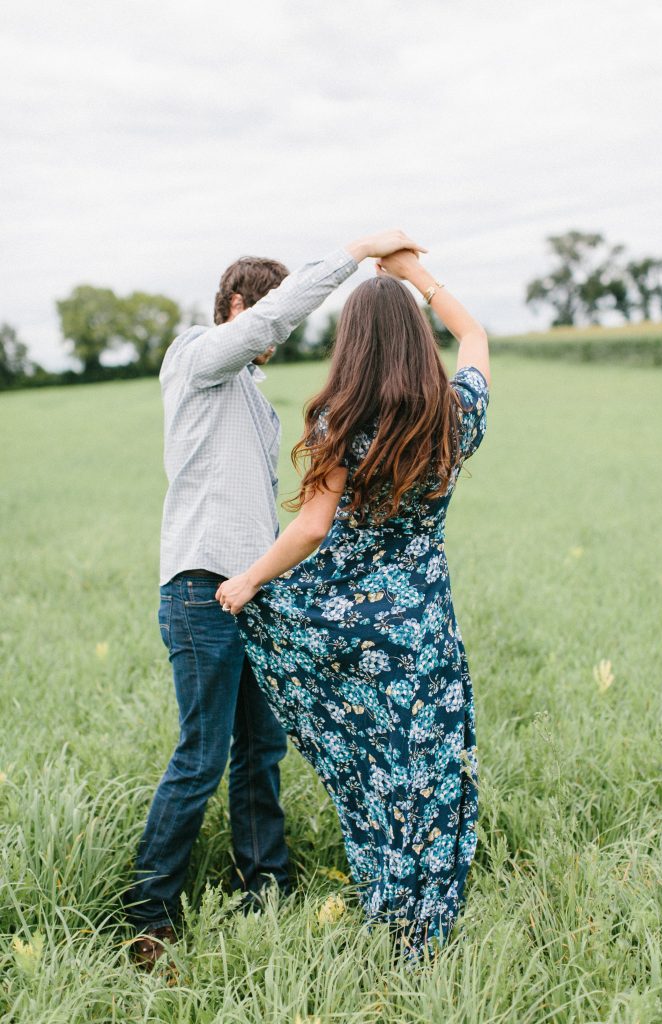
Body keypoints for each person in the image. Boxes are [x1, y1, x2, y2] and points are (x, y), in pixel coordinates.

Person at [127, 229, 427, 968]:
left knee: (260, 748)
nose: (280, 334)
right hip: (200, 589)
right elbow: (264, 323)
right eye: (268, 315)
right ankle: (149, 911)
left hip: (250, 594)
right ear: (237, 305)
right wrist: (353, 255)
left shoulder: (253, 404)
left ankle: (264, 885)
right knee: (202, 754)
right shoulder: (196, 356)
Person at [216, 247, 490, 958]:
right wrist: (414, 276)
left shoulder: (341, 418)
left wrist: (248, 581)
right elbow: (477, 338)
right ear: (416, 340)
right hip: (424, 623)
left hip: (351, 627)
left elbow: (310, 527)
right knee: (423, 764)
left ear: (353, 346)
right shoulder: (456, 414)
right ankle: (429, 908)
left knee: (369, 766)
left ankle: (385, 902)